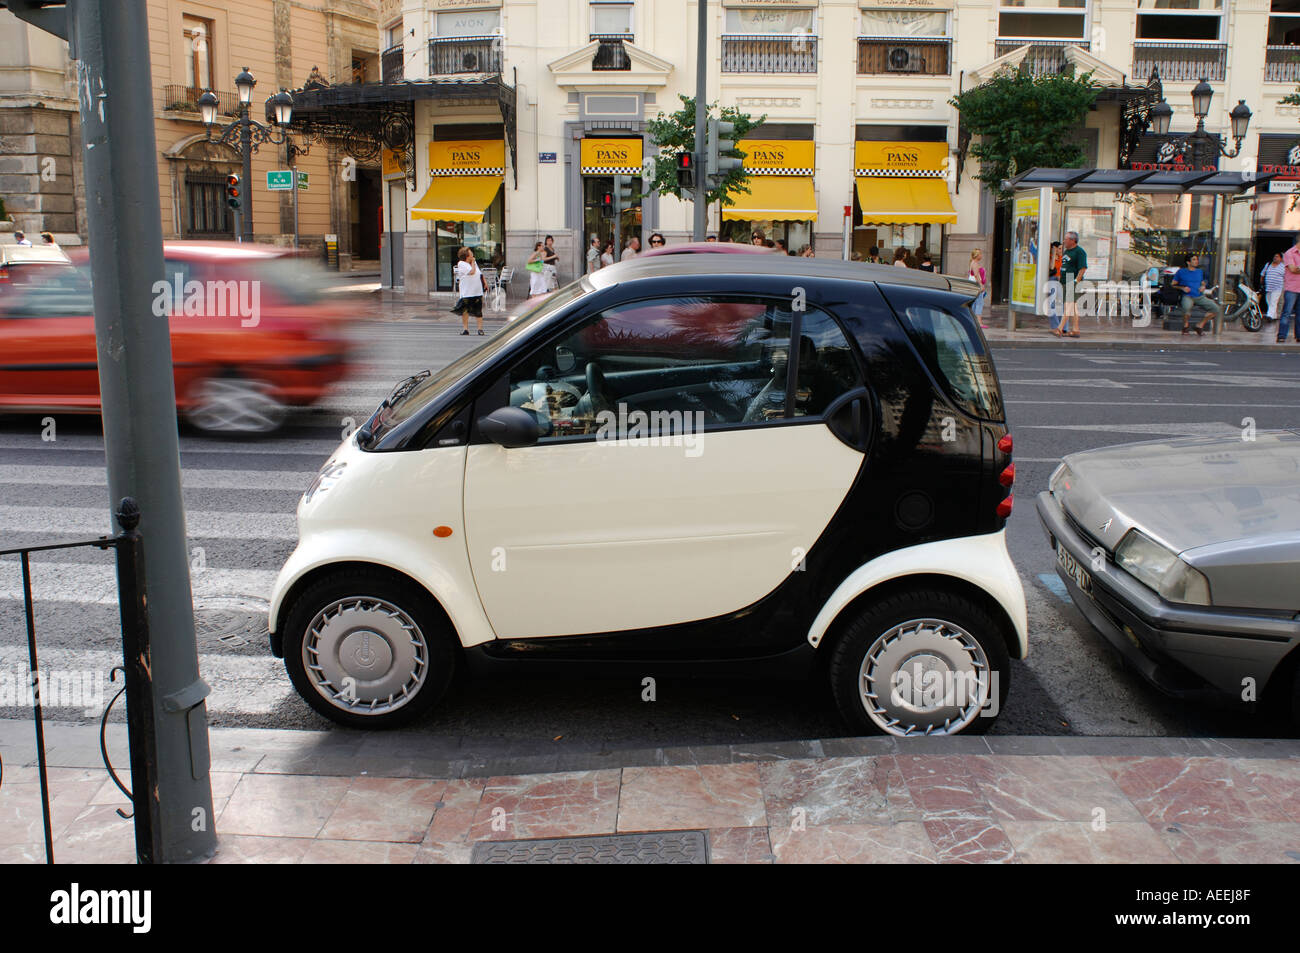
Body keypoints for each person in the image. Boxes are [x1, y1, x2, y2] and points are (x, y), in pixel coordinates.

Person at [1174, 252, 1220, 337]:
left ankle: (1199, 325)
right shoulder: (1181, 272)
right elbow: (1173, 284)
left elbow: (1202, 282)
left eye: (1197, 259)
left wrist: (1203, 286)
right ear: (1188, 262)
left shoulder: (1199, 271)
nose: (1196, 261)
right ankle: (1185, 325)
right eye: (1194, 260)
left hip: (1199, 296)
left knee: (1216, 309)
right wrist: (1182, 288)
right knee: (1186, 309)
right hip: (1188, 296)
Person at [1058, 230, 1087, 338]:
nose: (1064, 241)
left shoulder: (1079, 252)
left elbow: (1083, 268)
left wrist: (1076, 281)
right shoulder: (1066, 252)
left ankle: (1059, 328)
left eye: (1066, 239)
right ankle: (1075, 329)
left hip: (1072, 280)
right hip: (1065, 280)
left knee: (1068, 306)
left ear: (1073, 240)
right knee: (1073, 306)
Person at [452, 247, 486, 335]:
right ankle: (465, 329)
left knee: (478, 310)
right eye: (470, 253)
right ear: (466, 255)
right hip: (467, 292)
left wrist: (485, 283)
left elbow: (479, 274)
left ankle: (480, 329)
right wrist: (473, 262)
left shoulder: (473, 263)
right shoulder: (461, 264)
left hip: (477, 290)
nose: (472, 254)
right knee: (465, 311)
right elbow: (472, 272)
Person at [1279, 235, 1300, 343]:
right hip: (1291, 288)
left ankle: (1299, 336)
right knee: (1287, 312)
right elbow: (1292, 269)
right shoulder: (1289, 253)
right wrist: (1296, 269)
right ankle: (1282, 335)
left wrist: (1298, 268)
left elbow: (1297, 269)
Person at [1260, 252, 1285, 323]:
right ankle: (1274, 316)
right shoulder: (1268, 265)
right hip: (1268, 288)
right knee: (1269, 302)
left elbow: (1286, 277)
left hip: (1277, 288)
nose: (1275, 258)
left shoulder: (1283, 266)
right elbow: (1262, 274)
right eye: (1274, 256)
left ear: (1281, 258)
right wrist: (1261, 283)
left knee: (1273, 302)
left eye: (1277, 256)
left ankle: (1269, 316)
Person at [969, 249, 988, 327]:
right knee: (979, 303)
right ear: (977, 255)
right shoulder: (975, 264)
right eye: (980, 254)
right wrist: (981, 285)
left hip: (975, 285)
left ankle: (973, 320)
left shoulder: (973, 263)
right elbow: (976, 275)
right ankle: (979, 322)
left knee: (975, 303)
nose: (981, 256)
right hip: (977, 285)